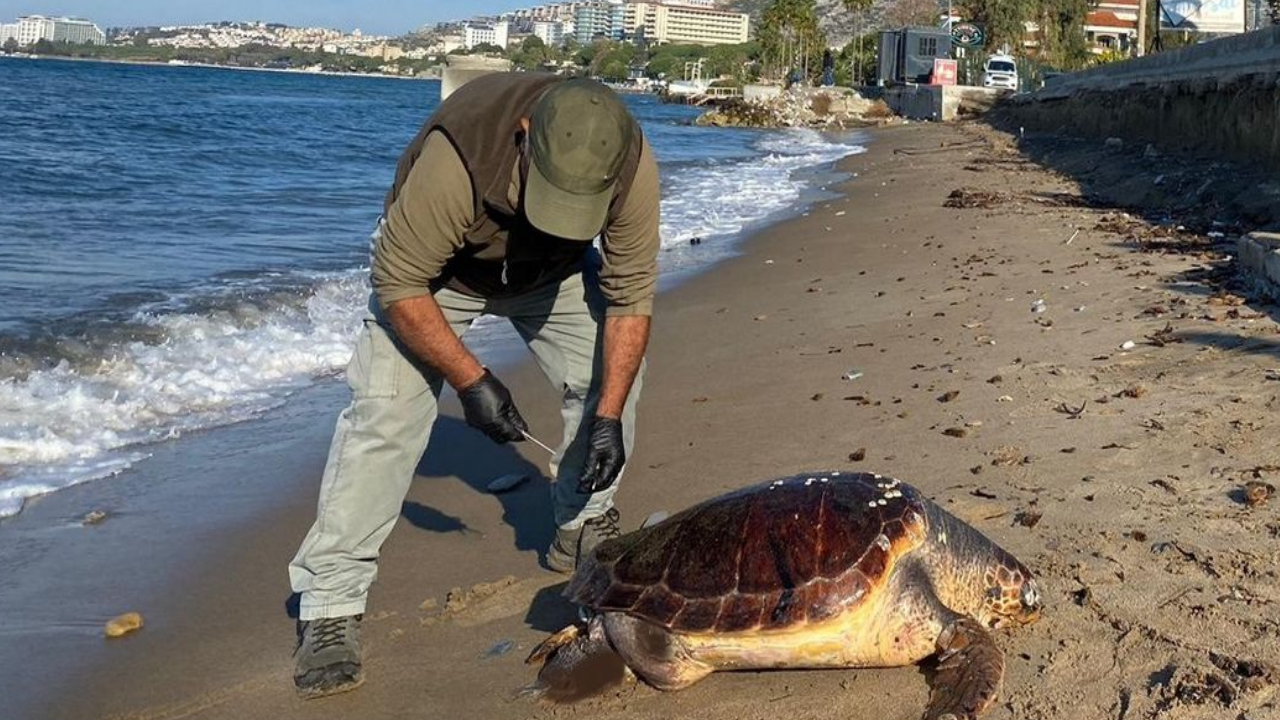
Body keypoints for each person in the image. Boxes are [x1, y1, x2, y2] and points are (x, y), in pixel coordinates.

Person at [287, 73, 660, 699]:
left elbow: (630, 297)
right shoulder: (457, 157)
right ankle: (330, 604)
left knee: (610, 378)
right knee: (385, 417)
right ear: (524, 137)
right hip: (438, 279)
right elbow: (399, 283)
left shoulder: (629, 161)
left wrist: (608, 417)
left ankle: (582, 522)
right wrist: (472, 380)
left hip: (552, 277)